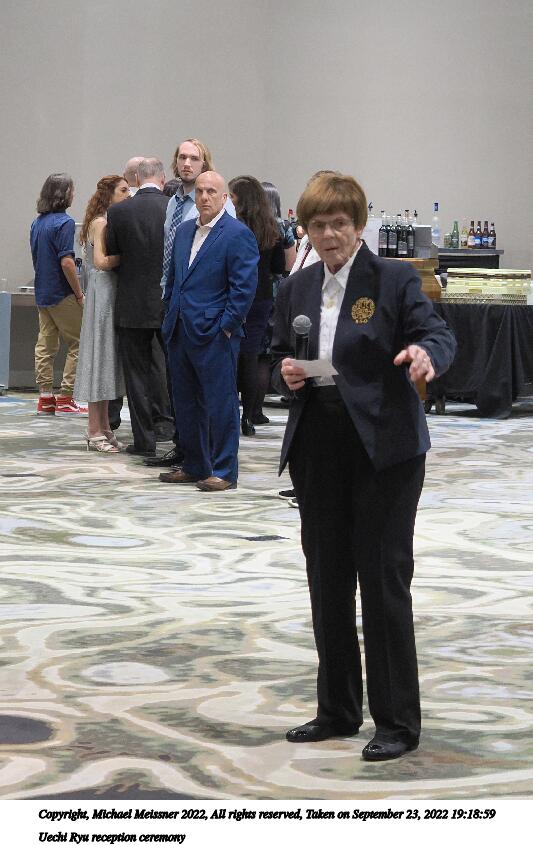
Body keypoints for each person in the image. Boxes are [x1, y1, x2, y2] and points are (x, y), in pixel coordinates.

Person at [271, 172, 456, 761]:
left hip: (384, 447)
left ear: (358, 225)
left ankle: (396, 721)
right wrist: (282, 372)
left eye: (339, 224)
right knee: (327, 580)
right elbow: (273, 355)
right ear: (306, 229)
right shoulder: (296, 288)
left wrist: (425, 355)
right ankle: (337, 710)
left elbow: (435, 334)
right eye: (317, 225)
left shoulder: (393, 279)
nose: (328, 235)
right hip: (318, 445)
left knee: (381, 580)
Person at [160, 171, 259, 491]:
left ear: (224, 198)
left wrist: (226, 327)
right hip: (180, 330)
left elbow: (243, 288)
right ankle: (194, 464)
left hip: (215, 333)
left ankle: (224, 471)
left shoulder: (237, 234)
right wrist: (170, 313)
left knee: (220, 404)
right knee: (185, 403)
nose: (204, 197)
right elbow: (174, 279)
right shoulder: (184, 231)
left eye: (211, 192)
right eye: (200, 191)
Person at [105, 157, 171, 457]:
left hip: (131, 303)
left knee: (136, 375)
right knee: (174, 370)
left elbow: (114, 254)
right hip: (168, 302)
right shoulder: (173, 208)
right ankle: (177, 433)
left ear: (136, 179)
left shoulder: (118, 212)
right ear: (162, 178)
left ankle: (144, 440)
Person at [74, 175, 129, 452]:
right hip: (103, 294)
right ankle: (94, 429)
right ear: (110, 195)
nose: (128, 195)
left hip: (106, 294)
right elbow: (100, 261)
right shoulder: (101, 222)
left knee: (106, 360)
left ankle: (103, 427)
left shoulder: (104, 220)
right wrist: (128, 255)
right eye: (123, 190)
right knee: (100, 359)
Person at [228, 176, 284, 436]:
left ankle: (229, 414)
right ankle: (249, 417)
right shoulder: (271, 227)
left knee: (230, 355)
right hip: (261, 296)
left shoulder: (231, 226)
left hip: (234, 294)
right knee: (253, 356)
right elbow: (279, 267)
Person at [30, 173, 87, 416]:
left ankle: (45, 397)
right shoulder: (65, 223)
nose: (74, 194)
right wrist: (79, 293)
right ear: (64, 194)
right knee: (79, 343)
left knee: (46, 344)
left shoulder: (37, 223)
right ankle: (66, 397)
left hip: (42, 291)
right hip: (62, 293)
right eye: (72, 190)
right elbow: (66, 261)